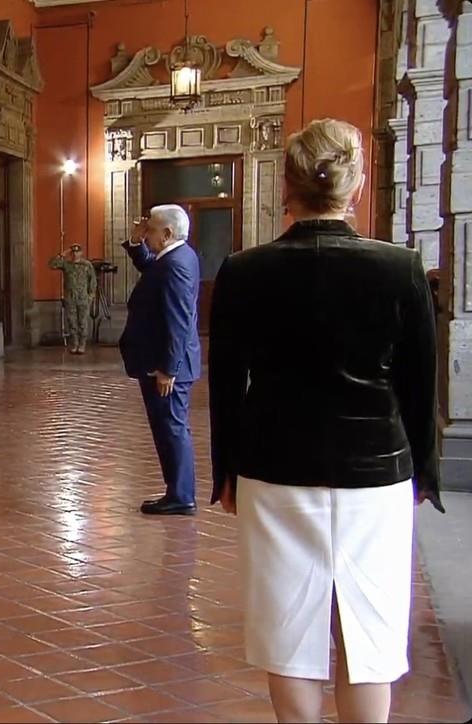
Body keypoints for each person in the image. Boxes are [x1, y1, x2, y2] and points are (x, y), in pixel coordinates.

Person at [208, 118, 444, 723]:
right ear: (358, 186)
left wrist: (225, 474)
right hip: (377, 468)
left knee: (287, 627)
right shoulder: (401, 268)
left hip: (272, 467)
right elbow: (420, 385)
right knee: (370, 635)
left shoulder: (244, 270)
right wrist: (424, 472)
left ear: (283, 188)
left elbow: (228, 384)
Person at [118, 204, 202, 515]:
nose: (147, 232)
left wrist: (169, 369)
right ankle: (177, 491)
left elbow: (179, 321)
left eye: (151, 229)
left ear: (167, 234)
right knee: (168, 427)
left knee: (172, 428)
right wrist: (137, 240)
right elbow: (150, 268)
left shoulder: (176, 264)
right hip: (162, 363)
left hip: (166, 367)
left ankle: (181, 496)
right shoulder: (177, 256)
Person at [50, 243, 98, 354]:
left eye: (77, 252)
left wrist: (91, 296)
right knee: (72, 322)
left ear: (81, 253)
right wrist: (62, 254)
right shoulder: (67, 264)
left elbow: (93, 281)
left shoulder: (87, 265)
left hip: (83, 298)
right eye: (73, 252)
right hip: (70, 298)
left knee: (82, 322)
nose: (75, 254)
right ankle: (75, 344)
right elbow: (52, 264)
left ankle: (82, 344)